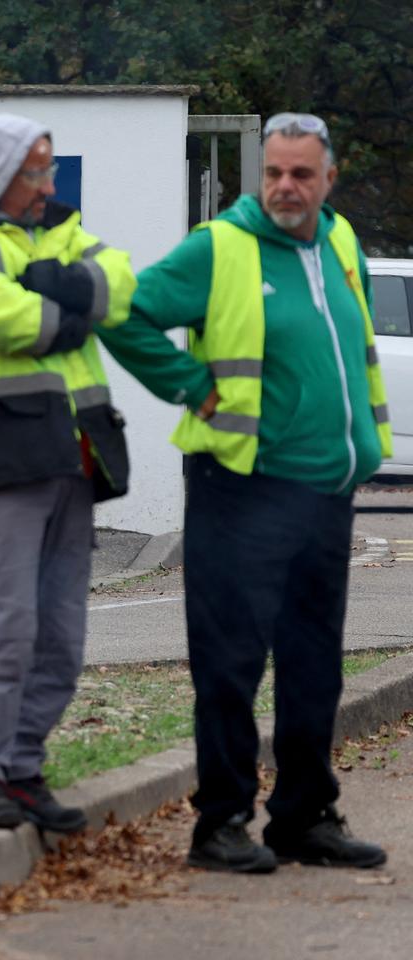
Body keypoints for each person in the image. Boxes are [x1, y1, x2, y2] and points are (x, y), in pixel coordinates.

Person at [97, 112, 393, 872]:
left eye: (301, 174)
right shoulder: (220, 248)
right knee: (230, 664)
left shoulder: (342, 241)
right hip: (242, 489)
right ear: (257, 176)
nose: (285, 187)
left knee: (313, 662)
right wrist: (192, 388)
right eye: (273, 173)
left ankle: (303, 817)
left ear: (330, 178)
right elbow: (125, 313)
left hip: (325, 493)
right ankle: (220, 823)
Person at [0, 114, 136, 832]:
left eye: (51, 169)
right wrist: (66, 311)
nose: (48, 184)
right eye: (35, 172)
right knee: (8, 628)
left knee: (62, 639)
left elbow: (121, 280)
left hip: (75, 459)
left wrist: (65, 282)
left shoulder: (62, 230)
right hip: (3, 455)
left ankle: (22, 769)